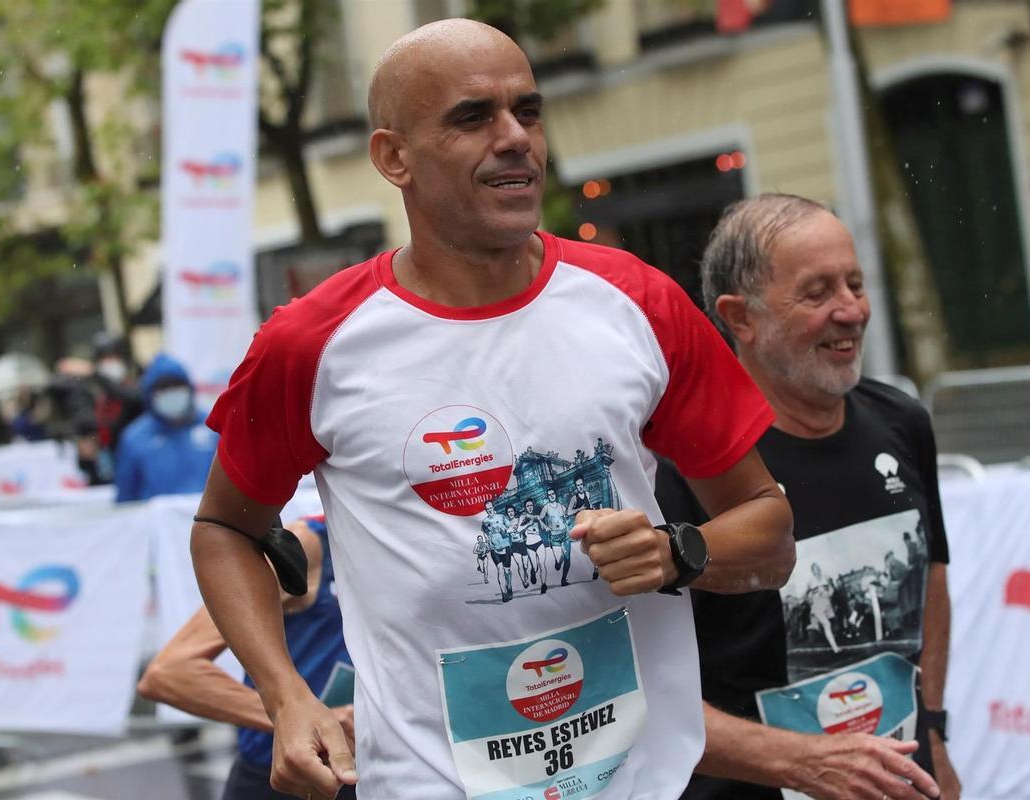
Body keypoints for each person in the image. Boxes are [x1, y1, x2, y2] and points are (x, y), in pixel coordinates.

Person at [190, 20, 794, 800]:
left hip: (644, 778)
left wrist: (681, 551)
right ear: (392, 157)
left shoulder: (635, 301)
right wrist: (285, 693)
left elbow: (768, 528)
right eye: (473, 117)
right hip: (428, 782)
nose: (515, 138)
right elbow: (224, 529)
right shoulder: (311, 342)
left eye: (528, 111)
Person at [654, 193, 958, 800]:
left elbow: (931, 583)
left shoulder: (902, 422)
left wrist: (932, 730)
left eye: (856, 283)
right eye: (818, 293)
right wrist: (805, 763)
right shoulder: (678, 469)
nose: (852, 311)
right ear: (741, 318)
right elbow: (646, 687)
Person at [139, 516, 355, 800]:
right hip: (284, 779)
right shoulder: (310, 545)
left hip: (381, 767)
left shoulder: (415, 549)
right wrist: (301, 716)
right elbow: (170, 674)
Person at [115, 353, 216, 502]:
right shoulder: (135, 438)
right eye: (164, 388)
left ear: (189, 388)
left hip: (211, 523)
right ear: (150, 394)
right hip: (155, 525)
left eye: (177, 385)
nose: (172, 392)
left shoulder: (213, 427)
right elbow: (126, 499)